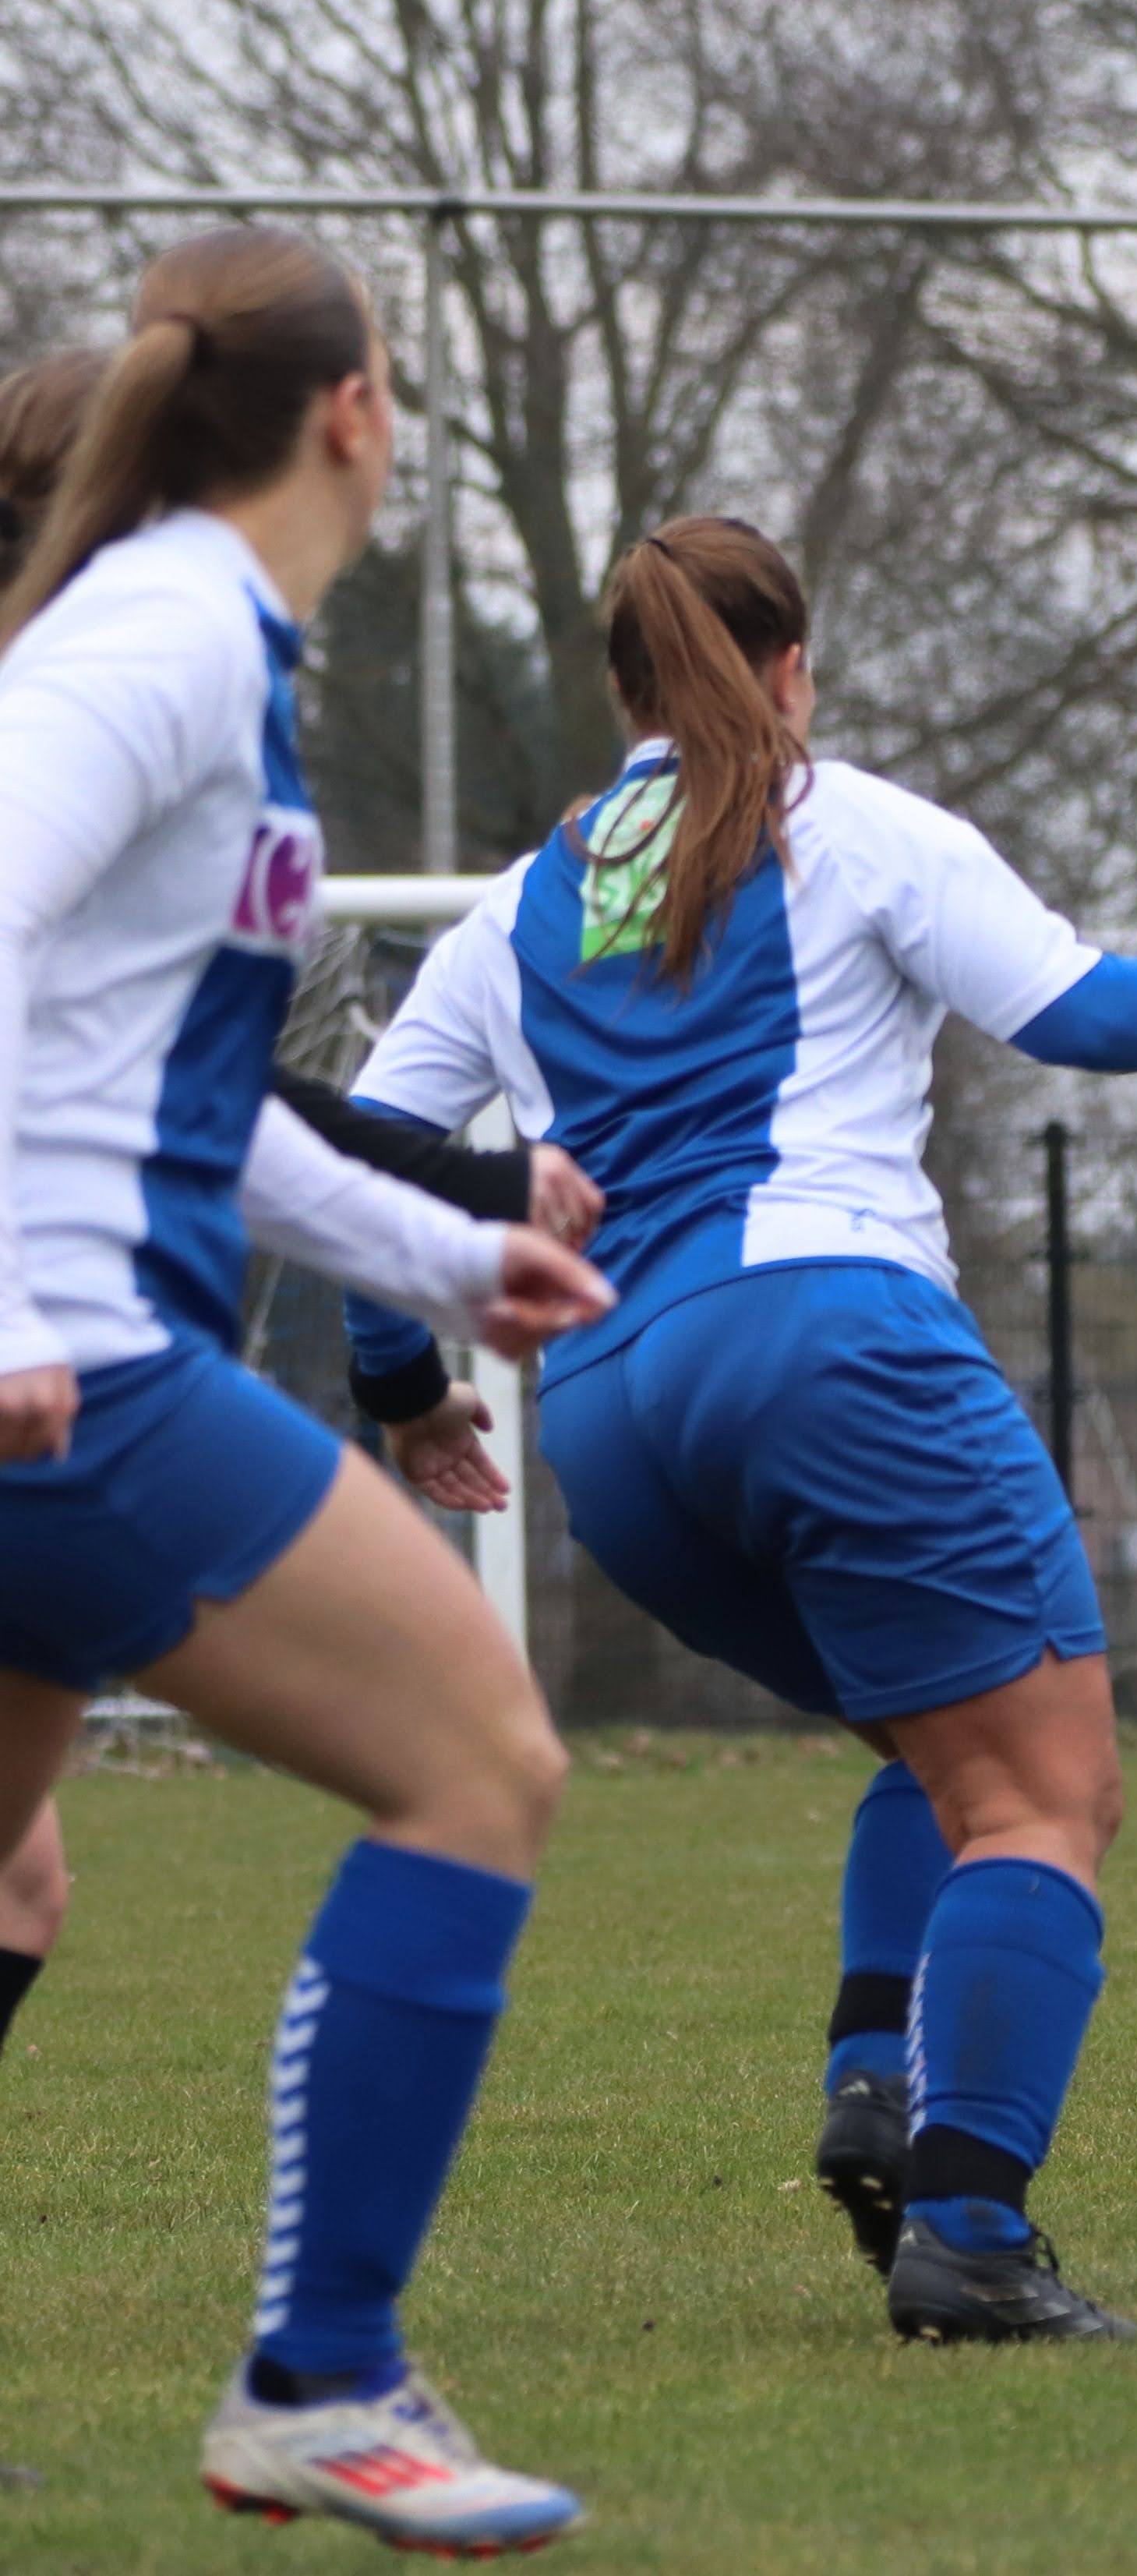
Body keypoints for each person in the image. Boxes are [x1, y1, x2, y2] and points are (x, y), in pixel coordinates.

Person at [336, 513, 1137, 2340]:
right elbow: (1087, 1016)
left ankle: (879, 2072)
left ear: (625, 686)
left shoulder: (519, 902)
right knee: (1048, 1788)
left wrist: (401, 1394)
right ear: (791, 666)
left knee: (939, 1754)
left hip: (616, 1423)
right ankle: (970, 2232)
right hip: (828, 1337)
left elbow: (361, 1171)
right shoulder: (845, 818)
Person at [0, 228, 619, 2549]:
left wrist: (444, 1246)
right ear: (353, 412)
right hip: (75, 1383)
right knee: (477, 1758)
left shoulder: (206, 648)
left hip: (77, 1357)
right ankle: (320, 2375)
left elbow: (195, 1088)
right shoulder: (160, 628)